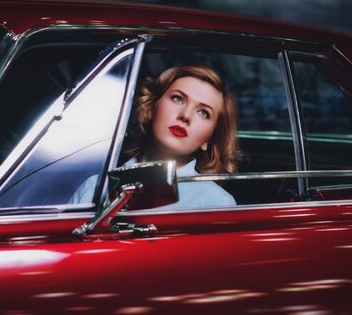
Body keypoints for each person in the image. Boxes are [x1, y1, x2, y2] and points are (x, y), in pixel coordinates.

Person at [70, 65, 241, 208]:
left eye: (203, 112)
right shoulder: (95, 187)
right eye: (178, 99)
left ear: (208, 140)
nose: (186, 115)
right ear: (151, 108)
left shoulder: (215, 202)